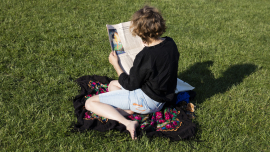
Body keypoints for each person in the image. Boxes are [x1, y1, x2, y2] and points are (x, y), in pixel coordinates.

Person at [85, 5, 179, 140]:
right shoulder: (170, 43)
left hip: (148, 100)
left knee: (90, 103)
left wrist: (116, 64)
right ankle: (128, 110)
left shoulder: (146, 56)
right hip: (162, 96)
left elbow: (130, 85)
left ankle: (128, 122)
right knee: (112, 85)